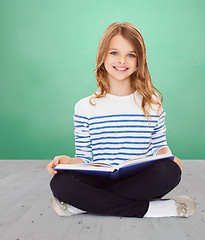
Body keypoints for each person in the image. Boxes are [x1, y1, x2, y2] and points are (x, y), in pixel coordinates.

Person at [47, 22, 196, 218]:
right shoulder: (84, 107)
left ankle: (82, 205)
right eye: (114, 53)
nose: (122, 61)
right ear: (103, 56)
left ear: (139, 60)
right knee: (60, 183)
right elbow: (84, 157)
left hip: (138, 181)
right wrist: (67, 162)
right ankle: (155, 209)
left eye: (131, 55)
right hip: (99, 180)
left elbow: (160, 146)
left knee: (169, 171)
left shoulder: (152, 103)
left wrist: (169, 157)